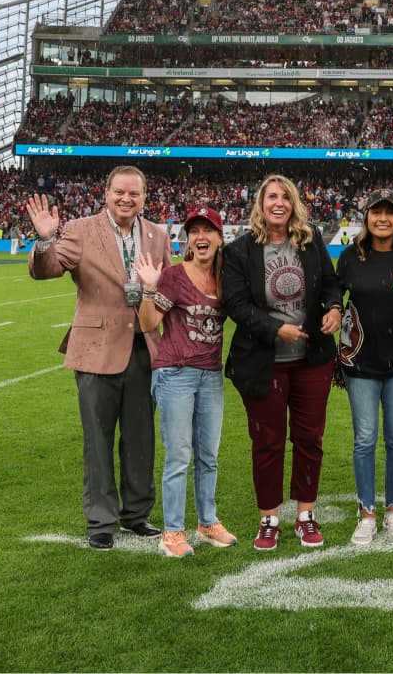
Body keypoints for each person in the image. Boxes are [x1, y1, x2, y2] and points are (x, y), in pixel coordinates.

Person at [26, 165, 172, 550]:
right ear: (105, 193)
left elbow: (169, 288)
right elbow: (47, 270)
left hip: (144, 347)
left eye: (134, 194)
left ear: (144, 196)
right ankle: (101, 522)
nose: (126, 199)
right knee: (98, 439)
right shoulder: (78, 230)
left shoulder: (157, 235)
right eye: (119, 192)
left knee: (141, 438)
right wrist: (44, 242)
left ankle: (136, 514)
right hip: (95, 351)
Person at [222, 174, 342, 551]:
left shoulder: (310, 240)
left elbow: (331, 284)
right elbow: (235, 305)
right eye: (271, 196)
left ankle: (305, 515)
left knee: (309, 439)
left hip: (311, 359)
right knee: (267, 442)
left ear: (294, 204)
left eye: (285, 197)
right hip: (263, 361)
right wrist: (277, 329)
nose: (278, 203)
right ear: (261, 203)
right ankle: (269, 518)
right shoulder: (241, 249)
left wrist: (336, 308)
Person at [133, 205, 237, 558]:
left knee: (208, 455)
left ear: (220, 238)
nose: (201, 236)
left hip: (211, 374)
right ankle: (173, 531)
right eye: (195, 231)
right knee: (179, 455)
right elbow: (148, 324)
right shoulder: (175, 276)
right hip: (175, 372)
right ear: (188, 238)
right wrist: (149, 289)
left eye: (208, 230)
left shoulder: (226, 278)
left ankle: (207, 521)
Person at [336, 189, 393, 545]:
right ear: (367, 218)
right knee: (364, 439)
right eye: (377, 212)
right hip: (360, 364)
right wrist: (331, 309)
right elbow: (333, 293)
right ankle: (367, 513)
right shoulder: (351, 257)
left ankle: (392, 509)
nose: (383, 219)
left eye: (390, 213)